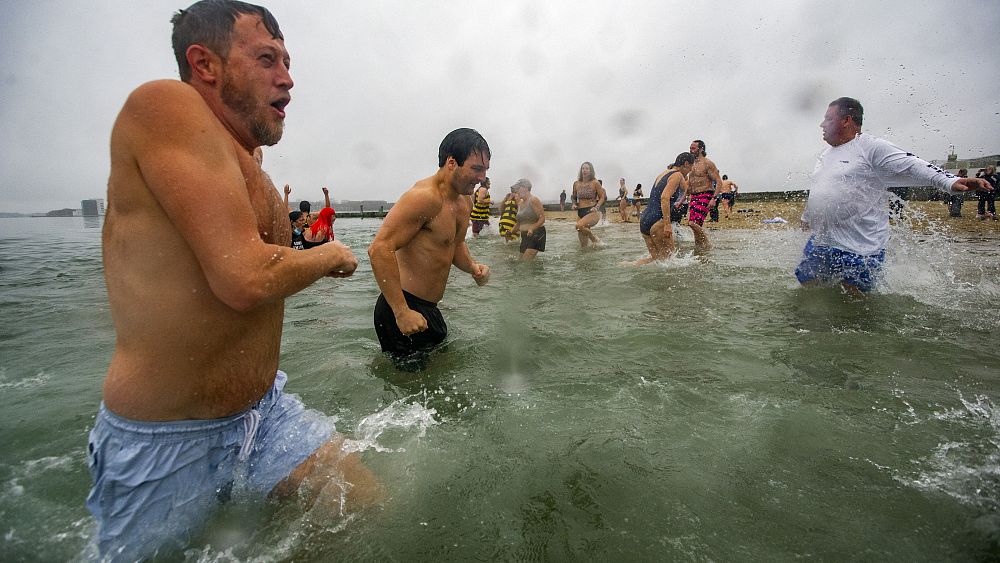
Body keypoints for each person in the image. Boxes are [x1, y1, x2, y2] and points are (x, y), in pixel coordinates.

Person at [88, 2, 376, 560]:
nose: (288, 77)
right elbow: (243, 276)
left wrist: (303, 251)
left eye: (288, 61)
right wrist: (332, 255)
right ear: (205, 64)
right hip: (167, 441)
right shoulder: (162, 105)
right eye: (267, 59)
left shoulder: (249, 163)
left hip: (262, 412)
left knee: (360, 510)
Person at [796, 97, 991, 295]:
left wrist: (948, 181)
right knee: (807, 285)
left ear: (846, 120)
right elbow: (822, 190)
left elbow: (911, 164)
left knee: (854, 301)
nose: (822, 124)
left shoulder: (870, 147)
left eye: (828, 119)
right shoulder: (826, 154)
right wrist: (808, 217)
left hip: (860, 247)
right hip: (823, 240)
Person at [368, 128, 491, 360]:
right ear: (452, 163)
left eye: (485, 169)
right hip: (401, 306)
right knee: (410, 390)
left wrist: (473, 267)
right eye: (476, 168)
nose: (482, 177)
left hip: (429, 310)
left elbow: (453, 246)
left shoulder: (465, 201)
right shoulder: (424, 198)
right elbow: (379, 249)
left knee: (441, 375)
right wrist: (402, 312)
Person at [635, 153, 695, 265]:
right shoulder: (677, 175)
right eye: (691, 166)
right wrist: (667, 224)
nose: (691, 169)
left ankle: (626, 265)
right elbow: (664, 197)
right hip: (658, 220)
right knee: (670, 262)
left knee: (656, 260)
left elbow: (686, 189)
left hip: (645, 220)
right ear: (686, 163)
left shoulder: (665, 173)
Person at [686, 139, 722, 249]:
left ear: (701, 149)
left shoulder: (707, 163)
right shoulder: (690, 164)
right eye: (690, 148)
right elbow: (689, 183)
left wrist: (714, 198)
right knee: (695, 225)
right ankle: (699, 248)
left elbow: (718, 181)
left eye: (693, 148)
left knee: (693, 224)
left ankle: (708, 245)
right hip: (694, 196)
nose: (690, 150)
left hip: (706, 195)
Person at [571, 161, 606, 247]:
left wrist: (597, 207)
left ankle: (593, 238)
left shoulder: (595, 182)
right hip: (580, 212)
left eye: (587, 168)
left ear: (591, 171)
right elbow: (574, 196)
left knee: (578, 226)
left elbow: (602, 197)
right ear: (581, 170)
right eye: (583, 168)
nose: (584, 170)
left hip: (592, 211)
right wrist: (574, 204)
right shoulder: (576, 183)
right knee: (583, 246)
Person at [513, 178, 546, 260]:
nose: (516, 191)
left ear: (526, 188)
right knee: (520, 262)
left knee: (525, 262)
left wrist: (532, 228)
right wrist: (510, 232)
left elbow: (542, 219)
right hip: (524, 236)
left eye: (518, 188)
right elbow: (519, 223)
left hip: (536, 234)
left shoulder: (533, 200)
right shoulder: (520, 203)